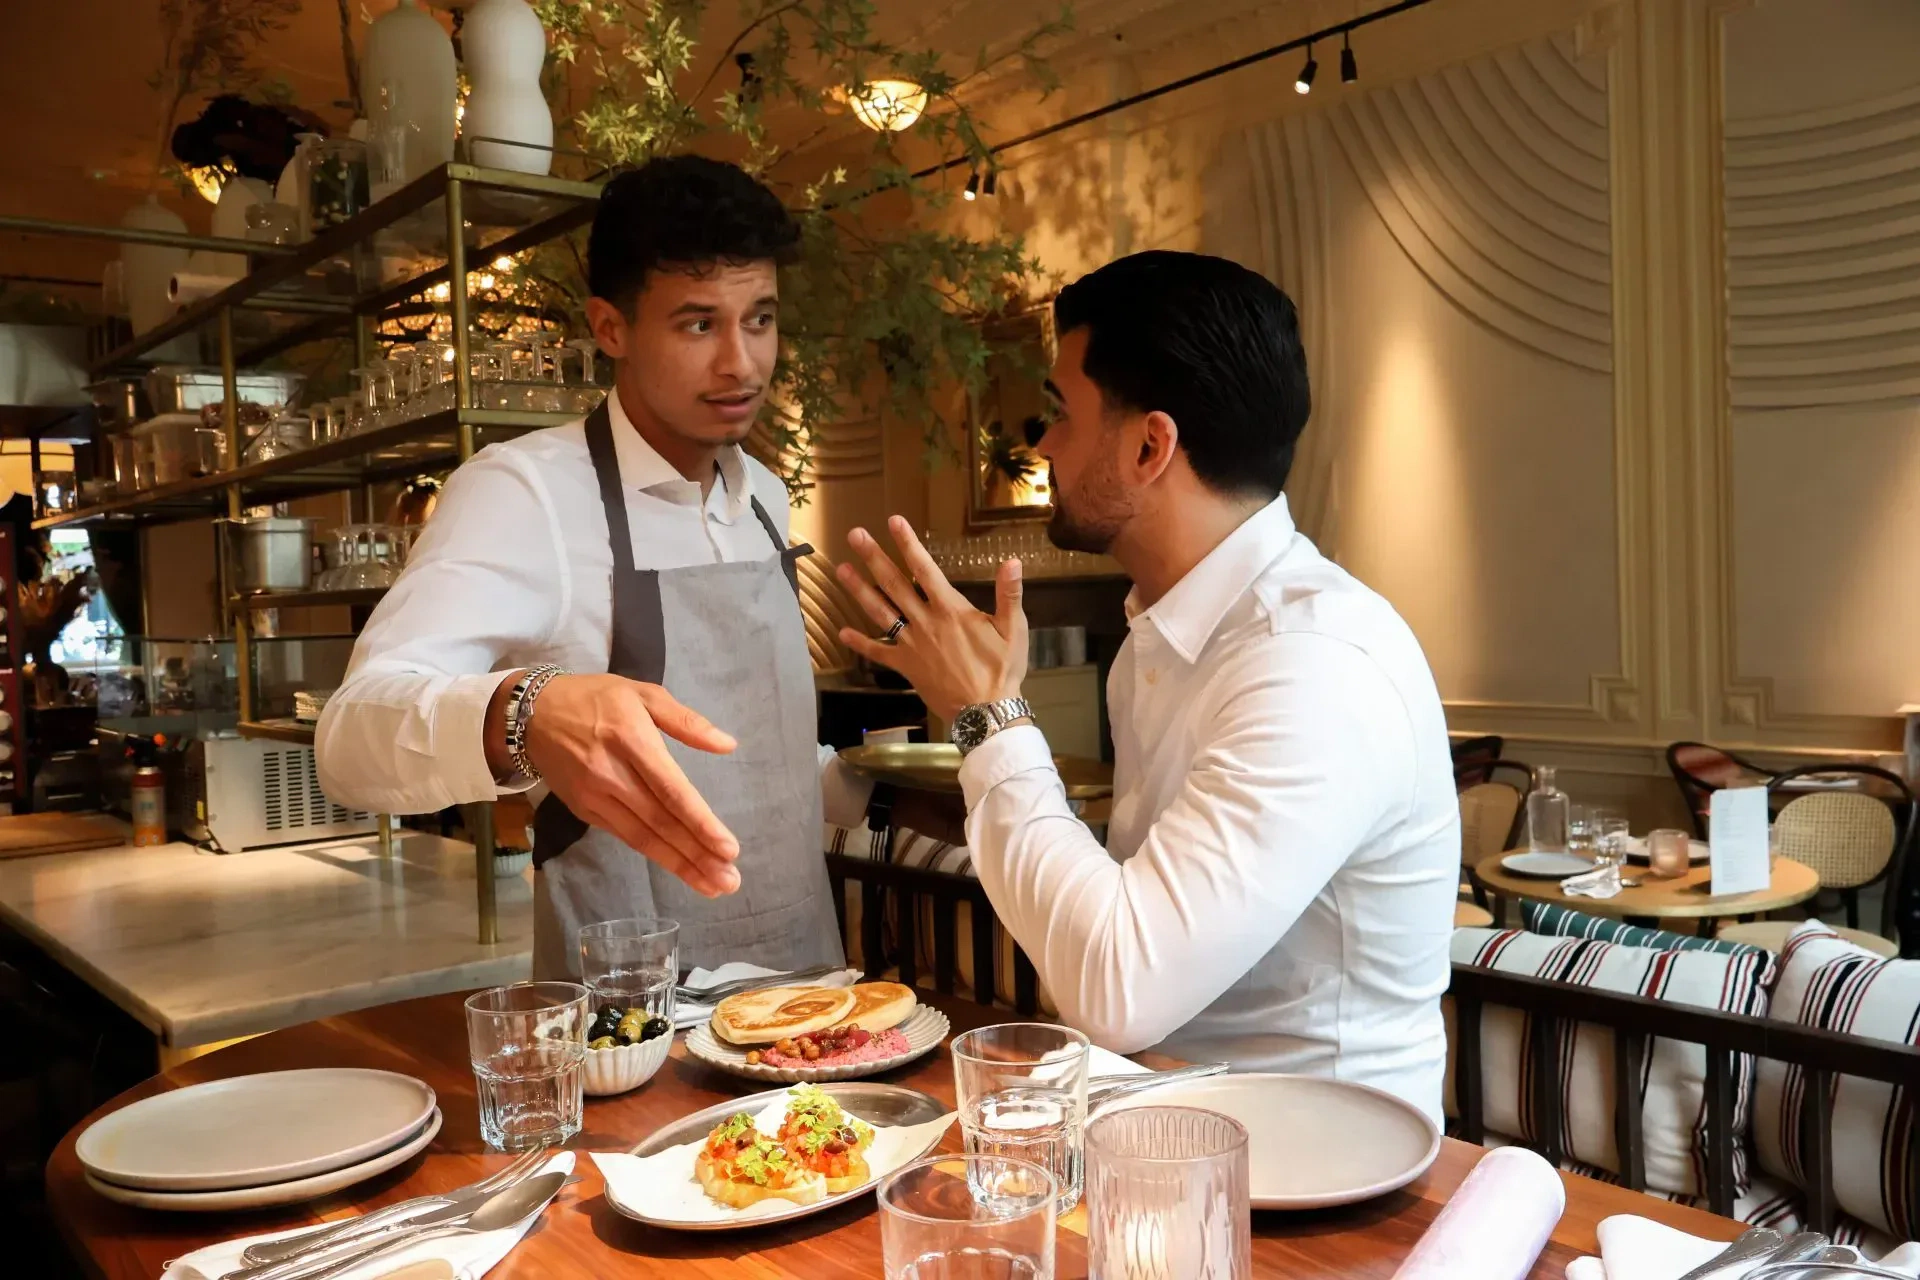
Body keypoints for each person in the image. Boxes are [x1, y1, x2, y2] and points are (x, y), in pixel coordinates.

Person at [833, 251, 1459, 1123]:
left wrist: (989, 716)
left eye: (1060, 412)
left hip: (1324, 1187)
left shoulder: (1312, 663)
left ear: (1149, 445)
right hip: (1168, 1125)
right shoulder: (1163, 633)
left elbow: (1117, 985)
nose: (1041, 444)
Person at [316, 155, 866, 979]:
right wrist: (522, 712)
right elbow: (349, 737)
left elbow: (759, 761)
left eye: (759, 319)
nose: (742, 364)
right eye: (697, 324)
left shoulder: (764, 498)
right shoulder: (527, 494)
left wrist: (937, 774)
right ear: (611, 328)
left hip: (808, 988)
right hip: (630, 1024)